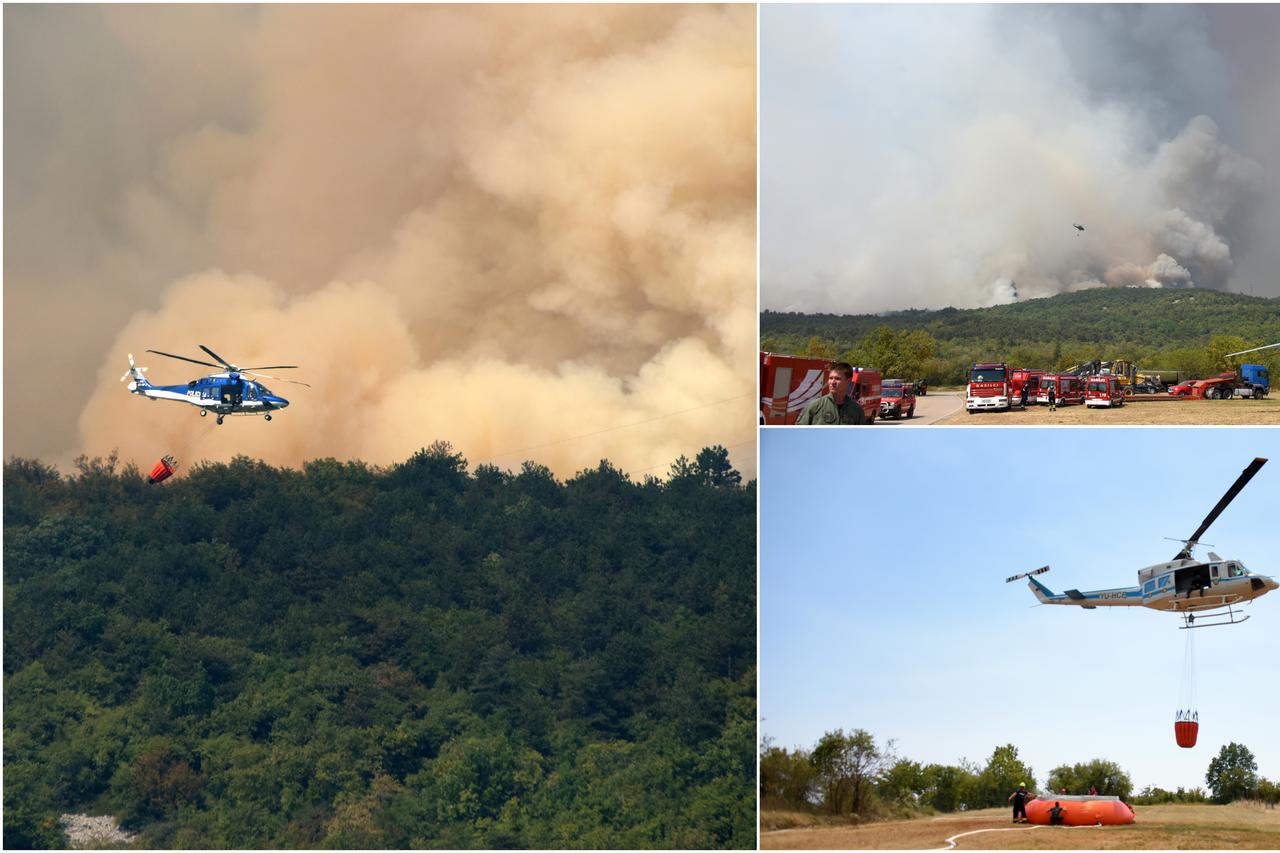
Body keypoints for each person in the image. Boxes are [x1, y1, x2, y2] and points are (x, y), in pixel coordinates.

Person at [796, 362, 866, 425]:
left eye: (837, 378)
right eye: (830, 378)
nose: (832, 382)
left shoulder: (857, 411)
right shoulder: (814, 406)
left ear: (848, 381)